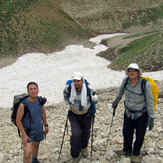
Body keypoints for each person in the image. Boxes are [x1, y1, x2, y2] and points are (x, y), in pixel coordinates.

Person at [112, 63, 154, 163]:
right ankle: (126, 149)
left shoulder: (145, 84)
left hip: (141, 114)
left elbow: (149, 101)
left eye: (134, 70)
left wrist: (151, 116)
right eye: (130, 70)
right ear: (127, 72)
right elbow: (121, 90)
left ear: (138, 72)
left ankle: (136, 153)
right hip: (128, 112)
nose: (132, 72)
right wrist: (117, 100)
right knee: (126, 132)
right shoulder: (126, 81)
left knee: (140, 135)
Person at [63, 72, 98, 163]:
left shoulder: (89, 88)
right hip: (74, 115)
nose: (76, 83)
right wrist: (67, 104)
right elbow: (65, 94)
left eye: (78, 81)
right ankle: (75, 155)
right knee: (75, 135)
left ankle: (84, 147)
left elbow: (96, 100)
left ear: (82, 80)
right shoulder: (69, 88)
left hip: (87, 114)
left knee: (86, 133)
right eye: (74, 81)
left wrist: (95, 99)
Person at [16, 82, 49, 163]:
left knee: (36, 145)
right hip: (28, 132)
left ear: (38, 90)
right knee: (27, 153)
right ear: (28, 91)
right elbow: (18, 121)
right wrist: (24, 135)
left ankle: (34, 160)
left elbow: (42, 113)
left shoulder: (40, 101)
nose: (33, 91)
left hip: (38, 129)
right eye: (31, 89)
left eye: (35, 89)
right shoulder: (23, 105)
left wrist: (46, 125)